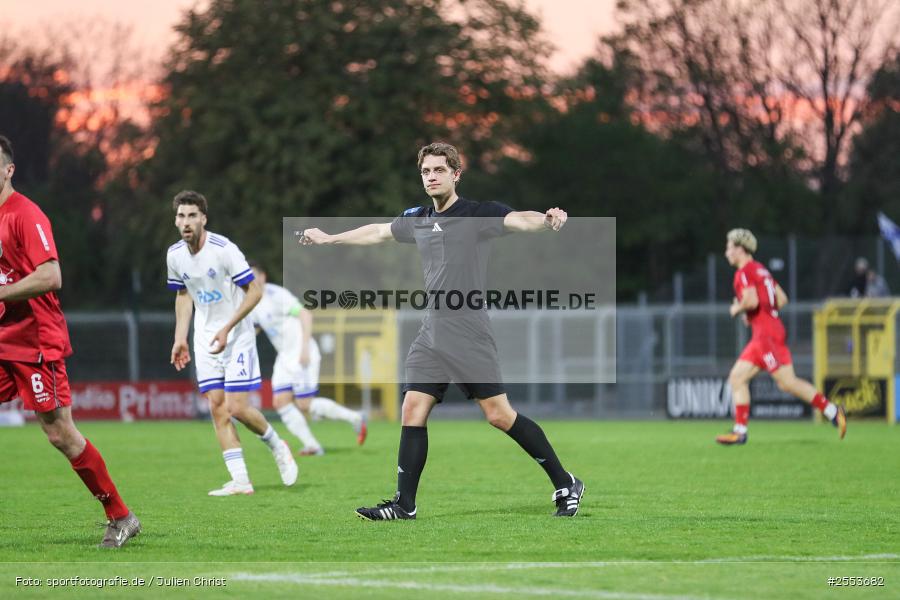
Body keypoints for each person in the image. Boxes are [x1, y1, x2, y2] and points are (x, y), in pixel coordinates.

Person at [301, 142, 583, 519]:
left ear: (456, 174)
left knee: (499, 415)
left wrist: (547, 219)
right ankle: (404, 505)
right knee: (412, 408)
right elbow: (379, 232)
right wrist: (331, 238)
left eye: (439, 170)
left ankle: (566, 482)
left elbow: (517, 219)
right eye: (425, 172)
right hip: (432, 329)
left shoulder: (476, 214)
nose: (431, 177)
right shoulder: (417, 218)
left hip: (468, 329)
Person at [0, 135, 140, 548]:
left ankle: (121, 516)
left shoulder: (26, 215)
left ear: (8, 170)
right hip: (3, 338)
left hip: (35, 342)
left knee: (61, 433)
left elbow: (51, 275)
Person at [167, 191, 297, 495]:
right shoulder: (175, 255)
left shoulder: (224, 250)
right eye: (181, 216)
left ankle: (278, 446)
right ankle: (240, 480)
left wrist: (228, 326)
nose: (186, 222)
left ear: (203, 219)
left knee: (237, 407)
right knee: (217, 407)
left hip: (237, 337)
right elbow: (183, 295)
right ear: (176, 220)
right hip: (204, 338)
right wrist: (179, 338)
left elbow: (254, 292)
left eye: (192, 216)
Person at [718, 228, 847, 445]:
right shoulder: (761, 270)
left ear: (741, 249)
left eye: (730, 247)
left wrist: (737, 309)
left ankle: (832, 411)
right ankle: (740, 431)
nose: (727, 253)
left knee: (785, 382)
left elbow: (751, 301)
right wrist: (758, 315)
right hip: (769, 330)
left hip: (765, 336)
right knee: (739, 378)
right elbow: (782, 298)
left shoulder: (743, 272)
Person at [248, 261, 367, 455]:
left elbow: (305, 314)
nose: (250, 279)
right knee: (280, 402)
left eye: (253, 275)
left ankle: (355, 418)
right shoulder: (252, 300)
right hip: (285, 357)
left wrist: (304, 347)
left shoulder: (276, 294)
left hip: (301, 353)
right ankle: (312, 445)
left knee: (305, 404)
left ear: (262, 277)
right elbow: (256, 328)